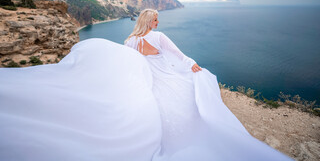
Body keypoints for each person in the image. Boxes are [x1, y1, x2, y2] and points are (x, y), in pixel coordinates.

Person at [124, 9, 293, 160]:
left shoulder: (130, 41)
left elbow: (129, 63)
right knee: (192, 95)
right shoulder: (158, 36)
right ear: (147, 21)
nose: (157, 23)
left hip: (149, 82)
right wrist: (191, 63)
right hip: (167, 78)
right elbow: (177, 53)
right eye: (155, 20)